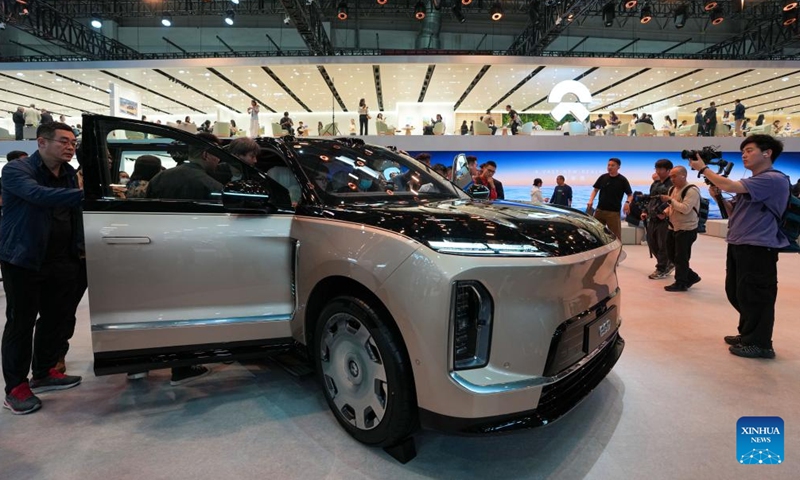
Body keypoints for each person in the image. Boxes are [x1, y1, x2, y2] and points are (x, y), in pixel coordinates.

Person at [0, 122, 84, 414]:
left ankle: (45, 372)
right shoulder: (17, 170)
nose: (70, 146)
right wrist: (88, 194)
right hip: (24, 258)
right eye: (63, 141)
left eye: (72, 142)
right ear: (41, 142)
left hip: (62, 259)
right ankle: (16, 388)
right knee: (20, 323)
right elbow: (38, 196)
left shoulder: (70, 174)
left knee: (55, 318)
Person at [689, 135, 789, 359]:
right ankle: (747, 334)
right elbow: (733, 212)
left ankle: (761, 344)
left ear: (767, 153)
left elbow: (729, 184)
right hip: (740, 244)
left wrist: (704, 169)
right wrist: (718, 198)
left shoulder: (772, 179)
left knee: (757, 295)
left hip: (758, 246)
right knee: (738, 292)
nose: (744, 154)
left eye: (750, 150)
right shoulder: (753, 183)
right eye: (743, 151)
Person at [660, 166, 702, 292]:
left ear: (683, 175)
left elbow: (685, 208)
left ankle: (681, 282)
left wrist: (670, 200)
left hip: (686, 229)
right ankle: (692, 276)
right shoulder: (672, 189)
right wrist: (665, 212)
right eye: (671, 176)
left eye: (674, 176)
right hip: (673, 227)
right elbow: (672, 207)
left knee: (681, 257)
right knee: (672, 255)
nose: (671, 179)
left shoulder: (692, 190)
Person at [642, 159, 674, 280]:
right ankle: (667, 264)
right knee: (651, 242)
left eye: (661, 169)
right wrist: (645, 211)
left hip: (664, 219)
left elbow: (672, 200)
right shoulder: (655, 184)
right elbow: (650, 199)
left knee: (663, 245)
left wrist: (664, 213)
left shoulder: (671, 184)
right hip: (652, 217)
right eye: (657, 168)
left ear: (668, 170)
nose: (658, 171)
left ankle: (661, 268)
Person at [587, 158, 632, 240]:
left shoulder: (622, 180)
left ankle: (617, 252)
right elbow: (595, 190)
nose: (610, 167)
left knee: (615, 236)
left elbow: (630, 195)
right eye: (608, 165)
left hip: (613, 213)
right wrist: (591, 200)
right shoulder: (603, 177)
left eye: (612, 165)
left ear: (618, 167)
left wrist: (627, 203)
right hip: (599, 210)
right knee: (595, 233)